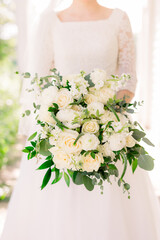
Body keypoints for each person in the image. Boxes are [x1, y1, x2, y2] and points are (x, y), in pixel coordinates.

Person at [1, 0, 160, 239]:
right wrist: (61, 119)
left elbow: (128, 77)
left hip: (111, 128)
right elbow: (42, 81)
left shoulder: (118, 18)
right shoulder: (51, 22)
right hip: (60, 128)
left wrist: (106, 120)